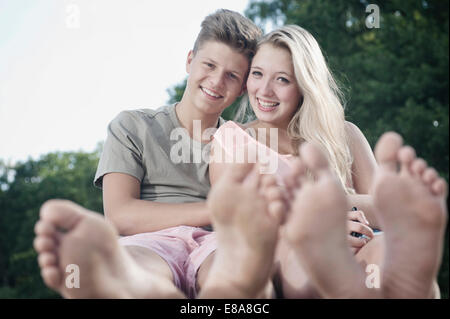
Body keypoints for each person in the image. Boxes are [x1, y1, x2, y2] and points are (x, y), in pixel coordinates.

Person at [33, 9, 262, 299]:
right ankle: (128, 281)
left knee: (235, 278)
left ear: (243, 88)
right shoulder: (133, 126)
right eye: (209, 65)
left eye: (231, 75)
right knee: (140, 266)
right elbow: (120, 215)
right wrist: (215, 210)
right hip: (148, 242)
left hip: (218, 243)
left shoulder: (242, 143)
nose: (216, 81)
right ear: (190, 61)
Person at [208, 24, 443, 298]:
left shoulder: (344, 134)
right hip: (286, 248)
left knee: (400, 262)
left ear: (304, 84)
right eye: (257, 74)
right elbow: (236, 221)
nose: (265, 91)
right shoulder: (232, 138)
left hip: (355, 242)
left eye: (282, 79)